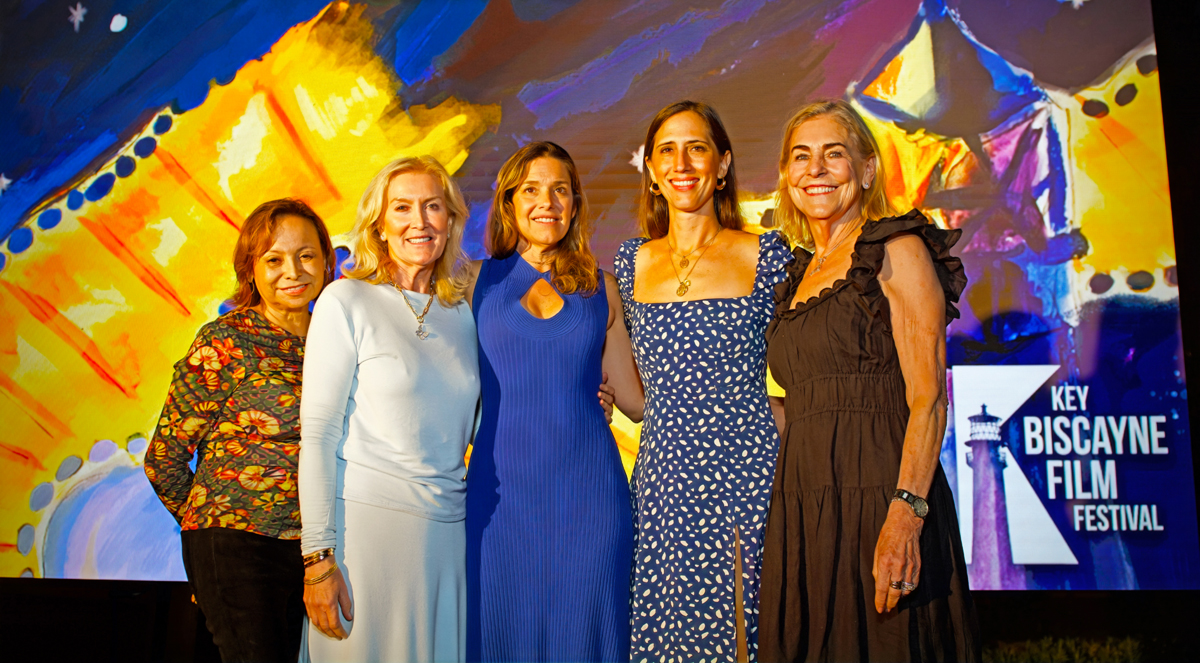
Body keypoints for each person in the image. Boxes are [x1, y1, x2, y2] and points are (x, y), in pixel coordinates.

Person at [758, 99, 981, 661]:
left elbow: (929, 399)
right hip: (806, 503)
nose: (815, 169)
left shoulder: (895, 249)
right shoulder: (795, 275)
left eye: (833, 154)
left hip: (880, 493)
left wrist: (906, 514)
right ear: (786, 176)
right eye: (801, 156)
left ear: (865, 169)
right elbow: (803, 403)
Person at [612, 101, 793, 662]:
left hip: (748, 476)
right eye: (667, 150)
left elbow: (812, 358)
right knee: (665, 635)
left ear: (722, 165)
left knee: (748, 632)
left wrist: (769, 409)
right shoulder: (628, 263)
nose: (682, 163)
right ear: (651, 170)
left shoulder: (768, 255)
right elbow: (630, 391)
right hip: (664, 483)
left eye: (697, 148)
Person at [464, 141, 643, 663]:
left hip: (590, 499)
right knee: (498, 636)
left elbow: (635, 402)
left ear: (575, 203)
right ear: (509, 202)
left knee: (585, 638)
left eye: (560, 190)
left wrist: (738, 402)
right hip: (498, 501)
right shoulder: (471, 283)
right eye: (532, 190)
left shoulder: (604, 289)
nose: (547, 202)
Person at [298, 156, 480, 662]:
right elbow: (318, 436)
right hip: (365, 541)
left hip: (447, 541)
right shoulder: (346, 300)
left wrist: (585, 397)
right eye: (402, 207)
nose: (419, 221)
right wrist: (317, 559)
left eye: (433, 206)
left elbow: (484, 426)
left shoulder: (464, 315)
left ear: (451, 221)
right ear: (378, 224)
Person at [145, 199, 336, 662]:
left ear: (326, 260)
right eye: (274, 260)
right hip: (239, 546)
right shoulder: (226, 340)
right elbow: (164, 459)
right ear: (250, 269)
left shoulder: (338, 337)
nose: (293, 271)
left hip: (316, 550)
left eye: (306, 255)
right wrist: (210, 536)